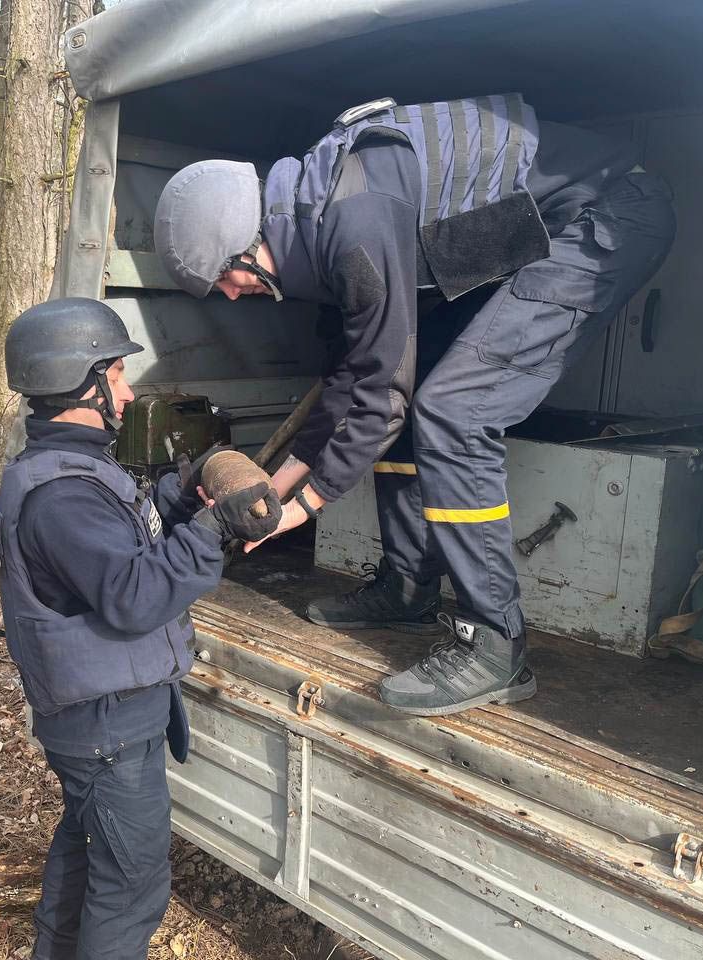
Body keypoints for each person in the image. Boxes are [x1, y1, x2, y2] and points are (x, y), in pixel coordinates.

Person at [153, 94, 675, 716]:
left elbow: (382, 400)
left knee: (455, 409)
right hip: (558, 229)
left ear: (241, 244)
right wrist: (283, 478)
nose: (233, 298)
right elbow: (355, 376)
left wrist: (306, 509)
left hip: (604, 220)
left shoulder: (353, 221)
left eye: (224, 282)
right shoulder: (322, 212)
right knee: (411, 382)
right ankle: (407, 586)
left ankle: (493, 642)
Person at [0, 297, 279, 960]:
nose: (127, 389)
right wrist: (216, 528)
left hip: (101, 726)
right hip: (107, 732)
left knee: (85, 859)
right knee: (131, 891)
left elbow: (126, 536)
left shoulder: (73, 468)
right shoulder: (62, 496)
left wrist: (183, 493)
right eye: (117, 374)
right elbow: (133, 593)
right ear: (82, 382)